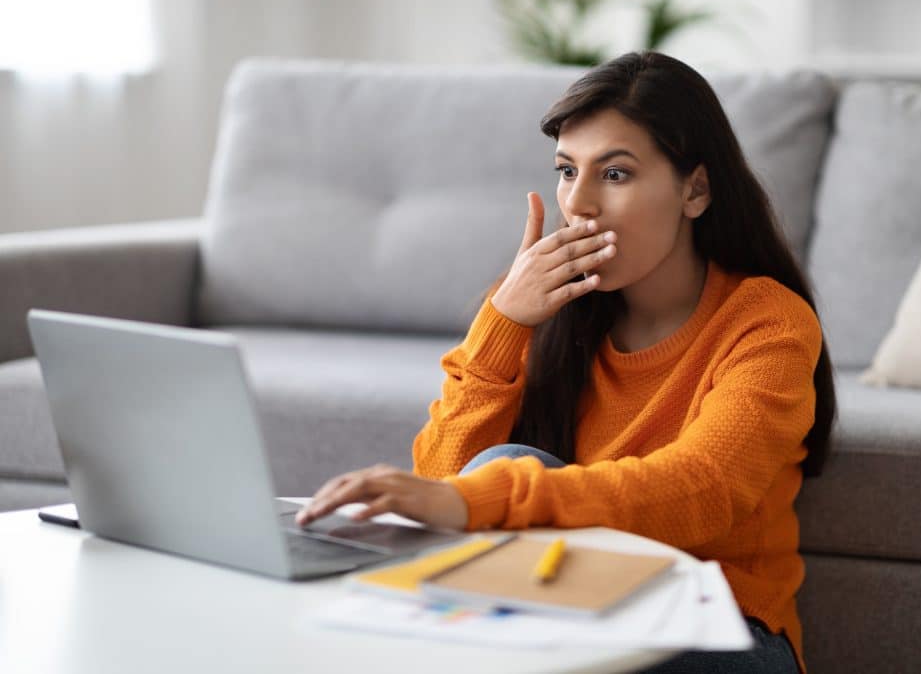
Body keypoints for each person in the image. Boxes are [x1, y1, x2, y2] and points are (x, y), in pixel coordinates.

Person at [295, 50, 836, 674]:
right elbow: (446, 481)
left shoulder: (768, 321)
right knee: (496, 477)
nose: (578, 204)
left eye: (615, 175)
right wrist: (503, 321)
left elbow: (703, 486)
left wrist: (481, 499)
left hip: (719, 627)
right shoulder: (548, 305)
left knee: (502, 475)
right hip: (572, 607)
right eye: (566, 170)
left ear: (696, 189)